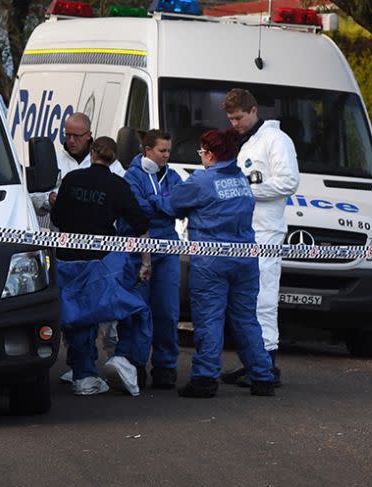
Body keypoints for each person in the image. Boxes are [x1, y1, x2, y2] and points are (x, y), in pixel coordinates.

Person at [169, 129, 277, 398]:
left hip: (211, 262)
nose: (201, 157)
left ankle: (205, 378)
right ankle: (263, 376)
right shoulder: (241, 179)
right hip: (245, 260)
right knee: (246, 320)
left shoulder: (202, 181)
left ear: (210, 154)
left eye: (202, 152)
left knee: (209, 320)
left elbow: (170, 205)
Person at [50, 137, 153, 396]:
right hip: (101, 264)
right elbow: (140, 224)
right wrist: (145, 263)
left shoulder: (72, 180)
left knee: (79, 317)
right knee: (134, 307)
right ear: (114, 158)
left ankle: (83, 375)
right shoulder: (117, 185)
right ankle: (125, 357)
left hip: (67, 261)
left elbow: (57, 218)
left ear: (93, 152)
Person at [220, 88, 299, 387]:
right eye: (231, 119)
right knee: (244, 300)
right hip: (243, 231)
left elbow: (289, 181)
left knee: (263, 298)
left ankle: (268, 365)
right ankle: (254, 360)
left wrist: (247, 193)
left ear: (254, 111)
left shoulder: (276, 141)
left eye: (239, 117)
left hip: (265, 231)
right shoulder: (245, 141)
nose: (235, 124)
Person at [39, 112, 125, 383]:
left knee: (105, 312)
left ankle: (113, 362)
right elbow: (31, 194)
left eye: (77, 135)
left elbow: (122, 193)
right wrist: (47, 198)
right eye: (67, 134)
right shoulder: (53, 160)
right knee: (71, 311)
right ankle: (78, 365)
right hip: (63, 246)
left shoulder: (109, 163)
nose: (71, 140)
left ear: (90, 136)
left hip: (100, 251)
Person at [117, 129, 183, 390]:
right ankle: (136, 363)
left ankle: (165, 366)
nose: (167, 155)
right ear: (147, 150)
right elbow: (136, 209)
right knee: (137, 311)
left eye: (169, 150)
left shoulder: (174, 175)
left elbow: (180, 205)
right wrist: (162, 205)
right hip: (136, 251)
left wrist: (154, 201)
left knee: (167, 311)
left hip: (167, 250)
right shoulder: (131, 176)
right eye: (162, 151)